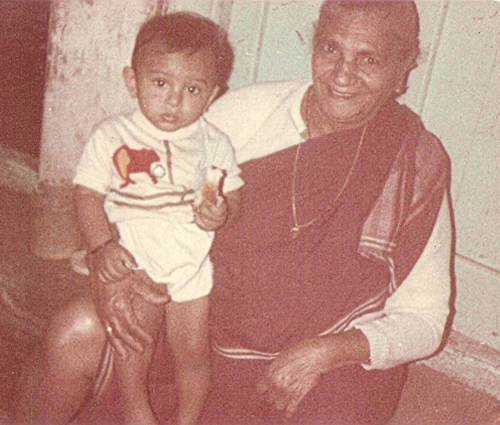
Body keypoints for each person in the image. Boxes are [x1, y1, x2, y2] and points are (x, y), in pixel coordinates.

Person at [15, 1, 453, 424]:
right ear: (313, 44)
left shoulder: (413, 163)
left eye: (369, 59)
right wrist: (107, 271)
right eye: (331, 49)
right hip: (197, 325)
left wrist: (326, 351)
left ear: (402, 69)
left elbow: (425, 320)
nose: (342, 74)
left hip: (319, 363)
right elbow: (132, 195)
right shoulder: (245, 114)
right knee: (78, 329)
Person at [15, 12, 243, 425]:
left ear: (212, 95)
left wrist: (221, 211)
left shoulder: (214, 143)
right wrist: (102, 246)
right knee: (135, 339)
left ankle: (189, 419)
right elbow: (86, 194)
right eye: (160, 83)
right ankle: (137, 410)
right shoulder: (112, 135)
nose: (174, 100)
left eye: (192, 89)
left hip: (191, 256)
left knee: (192, 349)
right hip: (135, 250)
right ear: (132, 81)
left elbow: (233, 194)